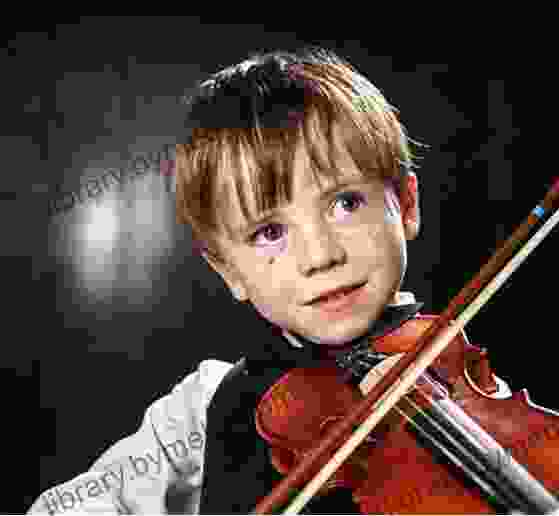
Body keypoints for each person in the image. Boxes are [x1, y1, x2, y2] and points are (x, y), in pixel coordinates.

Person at [28, 46, 513, 515]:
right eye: (269, 232)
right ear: (227, 270)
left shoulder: (464, 394)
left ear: (406, 205)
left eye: (345, 203)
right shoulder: (203, 409)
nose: (321, 256)